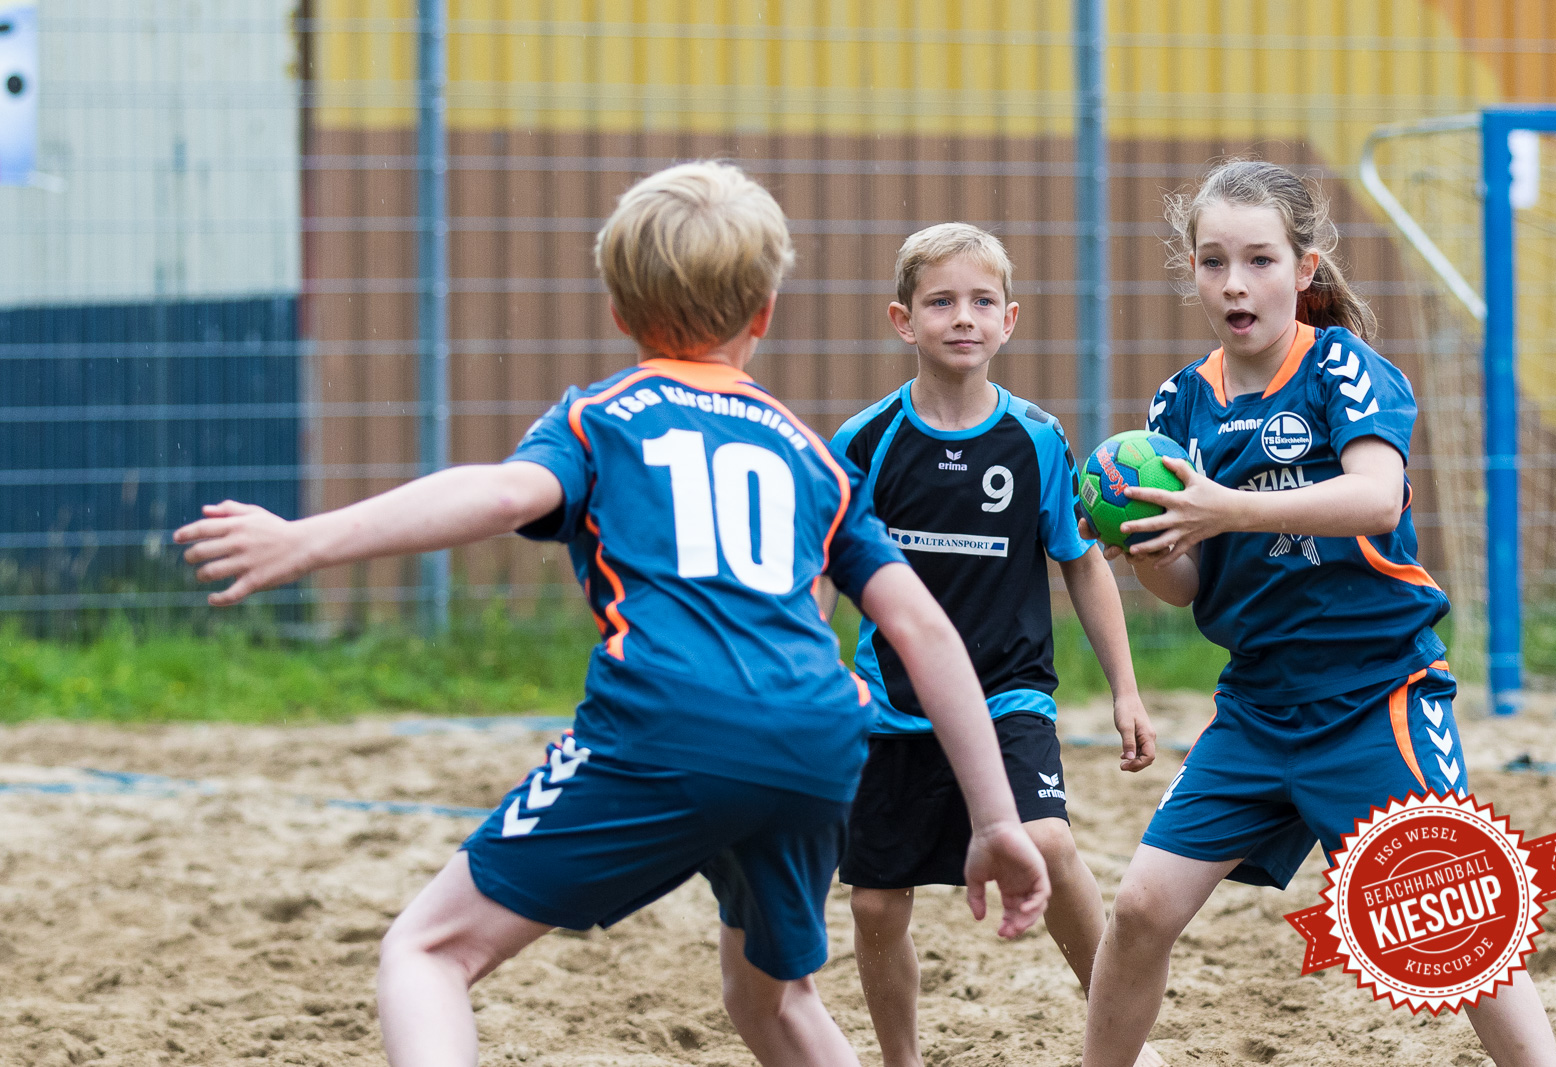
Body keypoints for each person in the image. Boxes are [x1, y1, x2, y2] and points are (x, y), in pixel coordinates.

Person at [173, 162, 1051, 1067]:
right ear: (765, 312)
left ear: (621, 312)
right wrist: (994, 821)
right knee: (776, 1000)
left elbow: (499, 492)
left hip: (670, 721)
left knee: (426, 951)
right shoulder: (805, 453)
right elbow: (923, 629)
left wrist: (308, 540)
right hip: (817, 742)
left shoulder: (603, 416)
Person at [1079, 159, 1556, 1067]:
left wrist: (1226, 506)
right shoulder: (1178, 403)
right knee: (1142, 906)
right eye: (1213, 260)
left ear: (1303, 269)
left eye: (1259, 259)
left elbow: (1376, 498)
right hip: (1258, 706)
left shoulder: (1344, 367)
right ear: (1192, 270)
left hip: (1376, 695)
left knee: (1454, 923)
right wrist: (1148, 547)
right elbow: (1188, 586)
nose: (1234, 281)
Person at [828, 223, 1162, 1067]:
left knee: (1047, 841)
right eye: (941, 301)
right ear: (904, 321)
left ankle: (1124, 1042)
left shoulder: (1037, 440)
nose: (962, 317)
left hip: (1010, 690)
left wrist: (1124, 685)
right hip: (893, 703)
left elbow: (1082, 564)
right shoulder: (865, 443)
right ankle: (900, 1057)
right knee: (873, 903)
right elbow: (818, 568)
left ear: (1010, 319)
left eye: (981, 301)